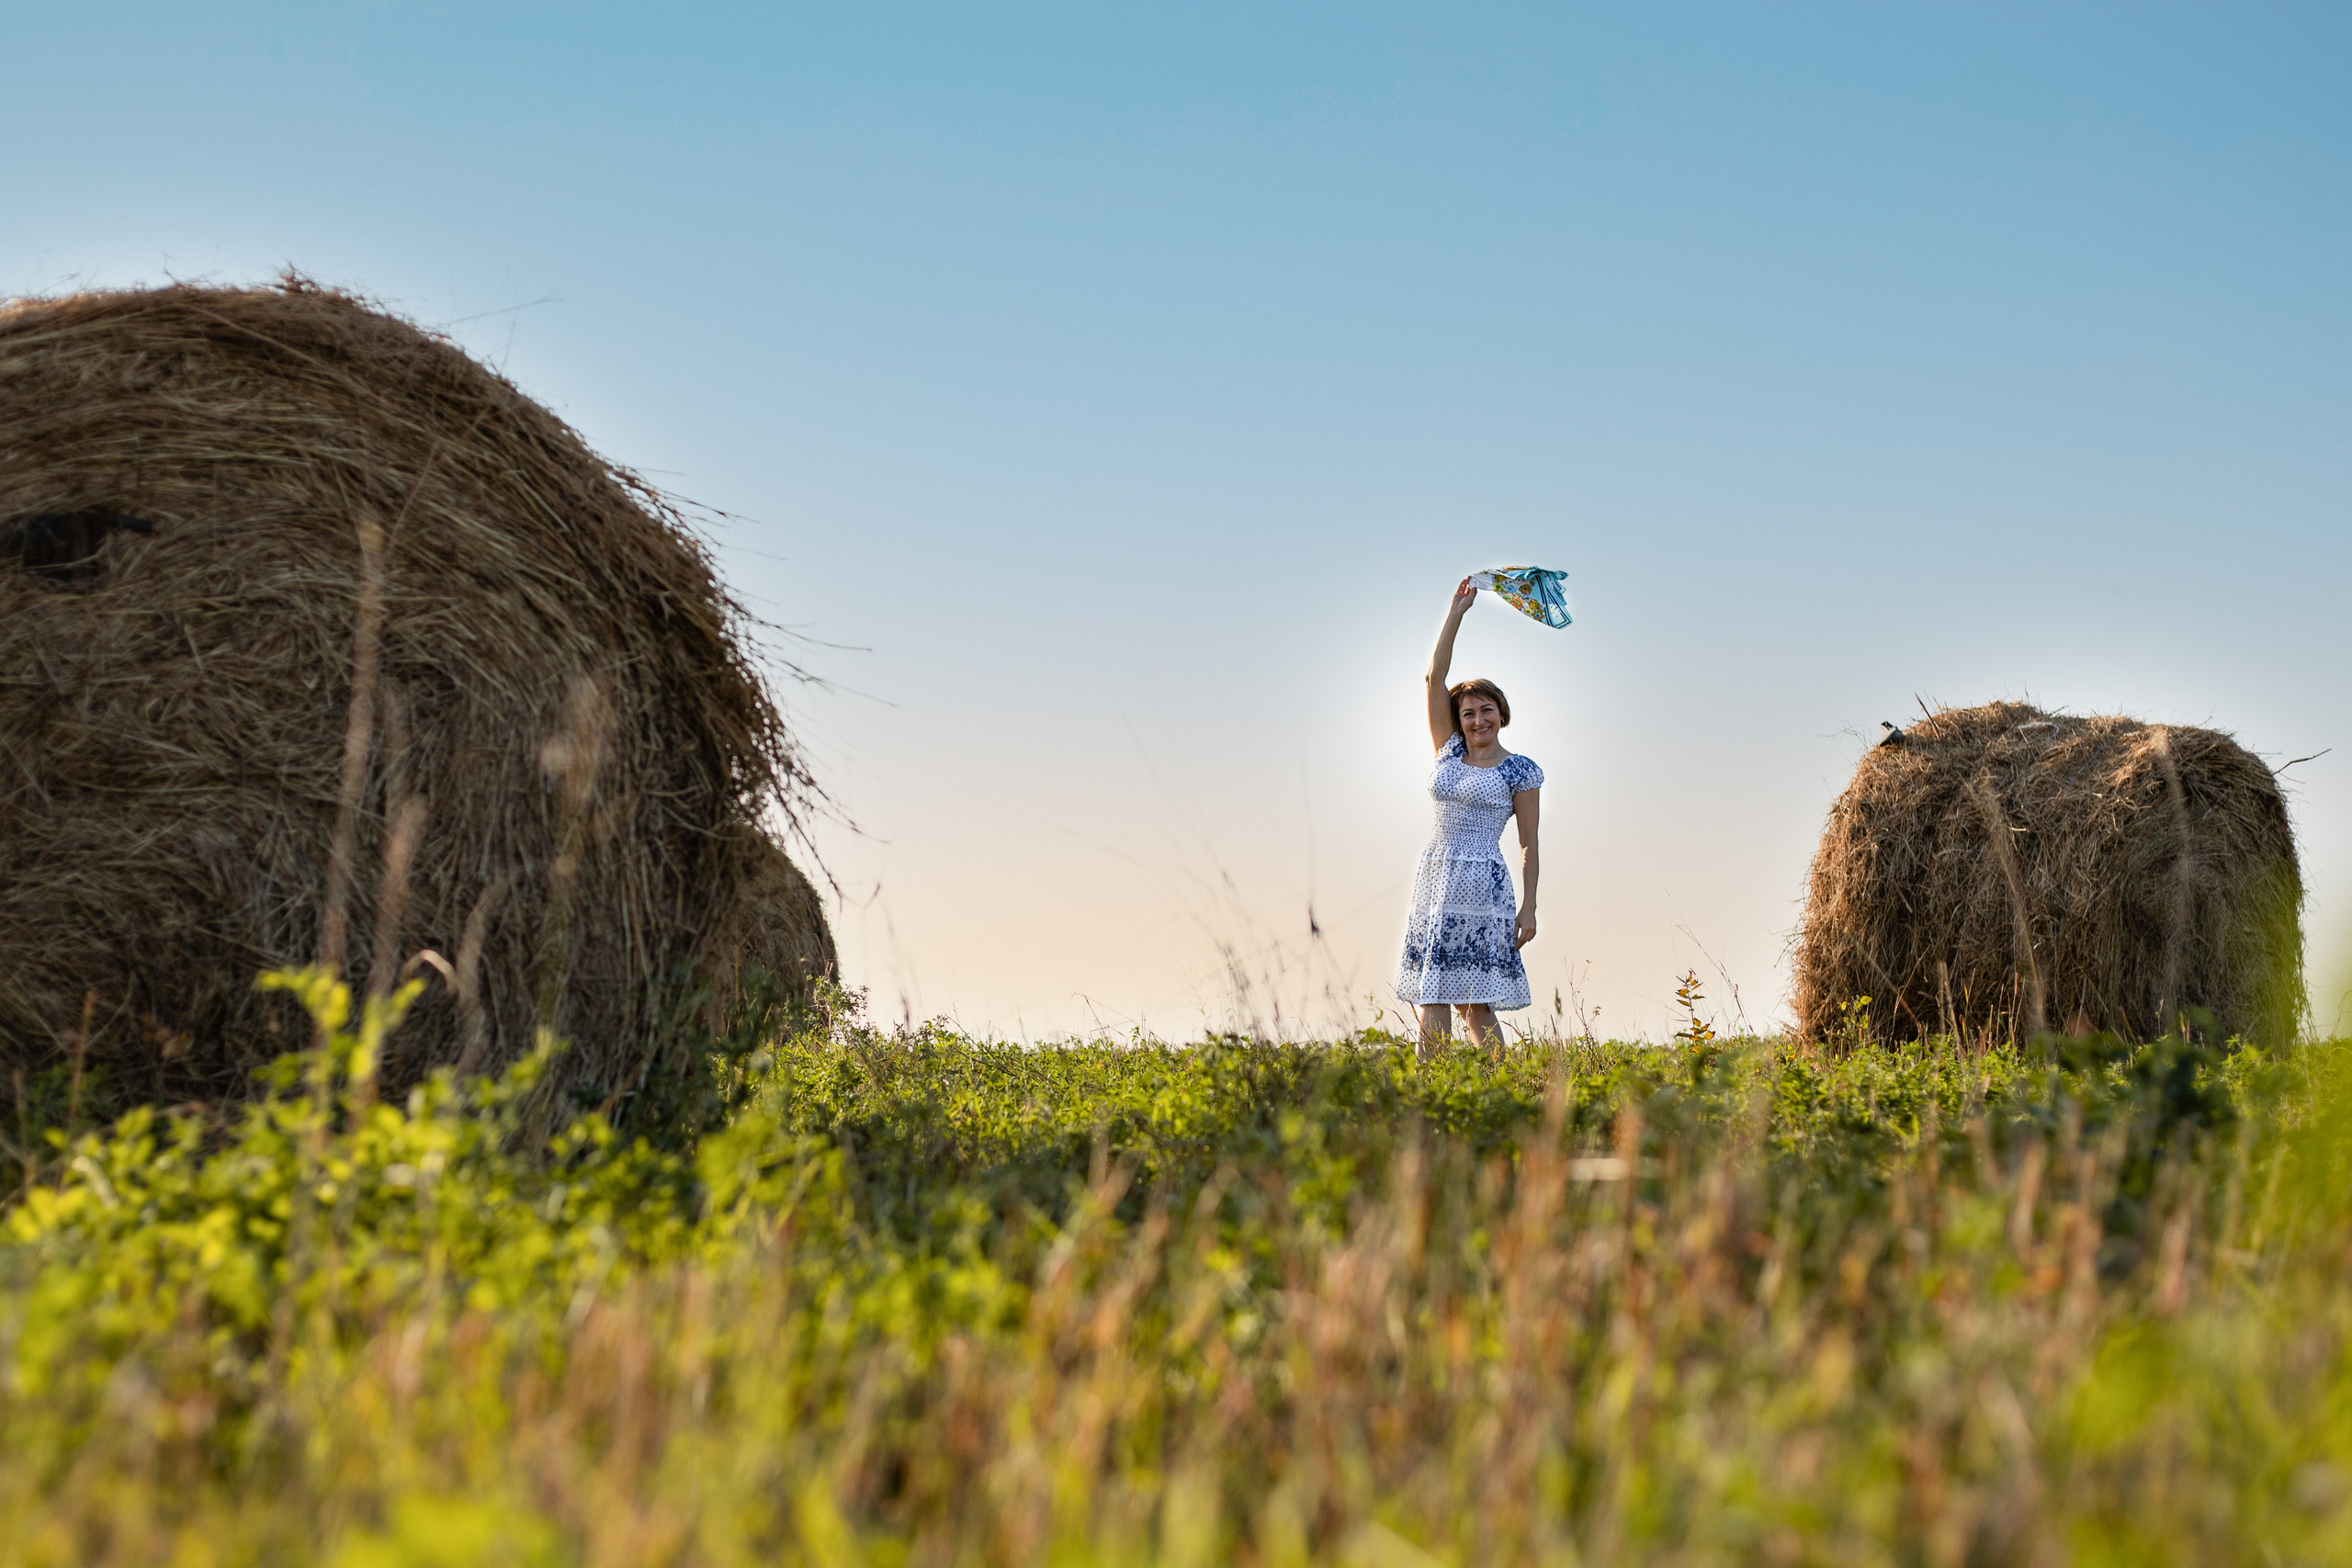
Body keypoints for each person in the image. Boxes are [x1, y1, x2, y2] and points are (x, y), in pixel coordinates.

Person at [1395, 577, 1544, 1054]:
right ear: (1457, 722)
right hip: (1436, 876)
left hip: (1484, 884)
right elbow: (1433, 679)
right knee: (1431, 992)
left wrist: (1530, 906)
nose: (1478, 720)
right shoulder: (1447, 752)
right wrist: (1456, 613)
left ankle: (1498, 1089)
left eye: (1487, 710)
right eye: (1468, 714)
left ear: (1502, 714)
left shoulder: (1520, 770)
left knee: (1477, 1003)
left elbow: (1527, 843)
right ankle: (1430, 1094)